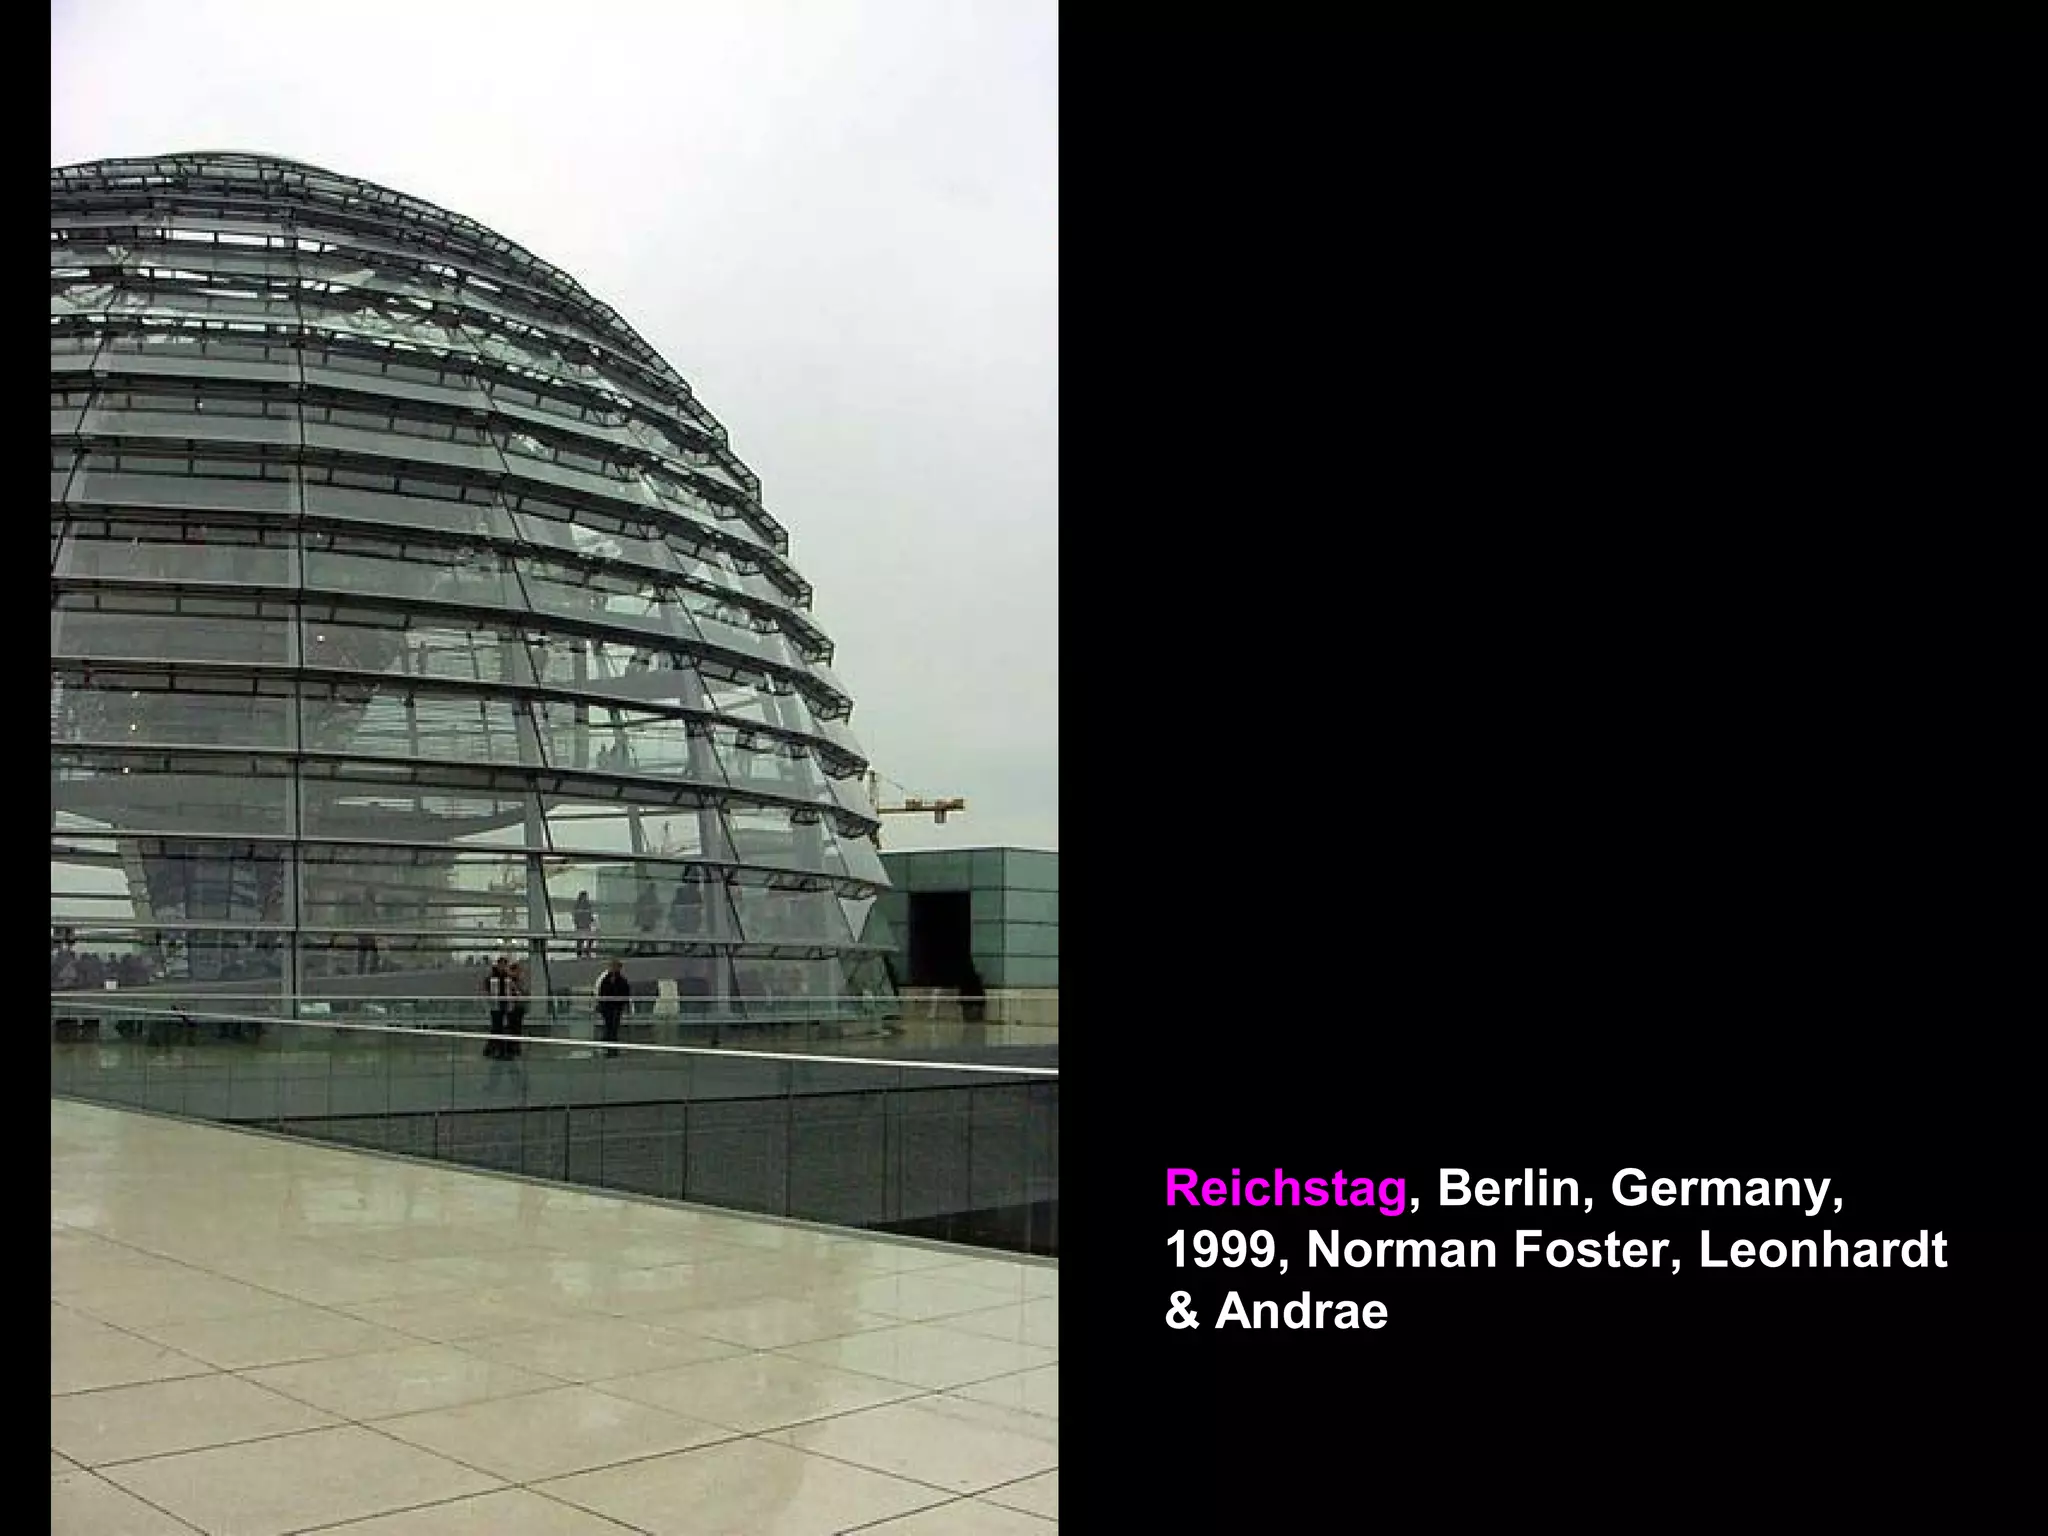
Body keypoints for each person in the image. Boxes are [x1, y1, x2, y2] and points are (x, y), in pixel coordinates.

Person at [596, 958, 632, 1057]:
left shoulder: (621, 981)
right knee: (609, 1024)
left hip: (616, 1006)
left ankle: (611, 1043)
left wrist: (623, 1003)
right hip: (608, 1006)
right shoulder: (606, 980)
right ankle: (609, 1043)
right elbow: (602, 992)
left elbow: (625, 993)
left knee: (614, 1025)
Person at [483, 954, 515, 1058]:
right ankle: (497, 1050)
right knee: (497, 1028)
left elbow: (512, 989)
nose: (502, 967)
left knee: (503, 1028)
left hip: (505, 1005)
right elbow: (486, 990)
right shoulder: (492, 977)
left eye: (504, 965)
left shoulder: (508, 977)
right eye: (501, 965)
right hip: (496, 1005)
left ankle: (497, 1049)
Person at [573, 891, 597, 957]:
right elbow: (576, 915)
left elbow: (590, 914)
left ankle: (586, 950)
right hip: (581, 926)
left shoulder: (587, 905)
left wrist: (591, 920)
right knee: (581, 940)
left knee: (590, 938)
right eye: (585, 896)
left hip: (586, 925)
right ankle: (580, 952)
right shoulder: (578, 905)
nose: (586, 898)